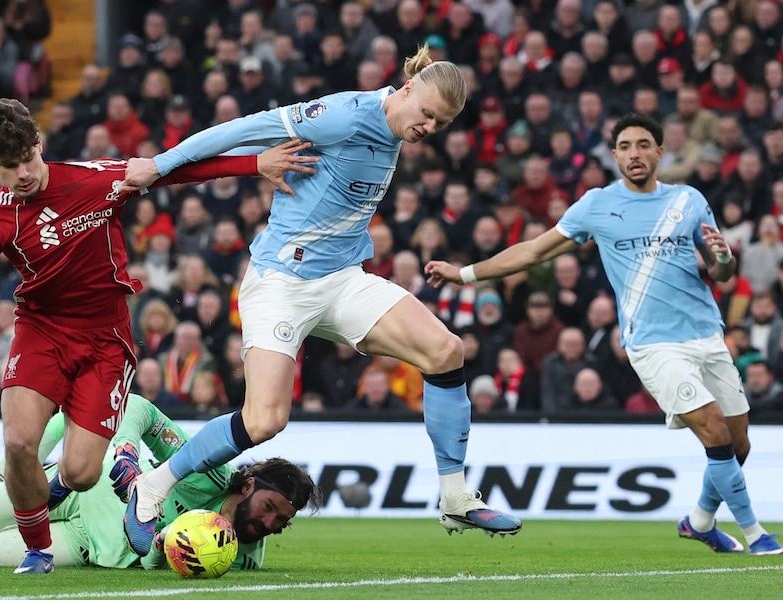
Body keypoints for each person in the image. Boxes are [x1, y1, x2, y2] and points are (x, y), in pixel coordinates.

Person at [118, 44, 522, 558]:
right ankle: (152, 486)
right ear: (407, 90)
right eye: (427, 114)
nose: (428, 128)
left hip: (341, 280)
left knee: (446, 351)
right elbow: (244, 128)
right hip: (281, 281)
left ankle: (455, 497)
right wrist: (160, 165)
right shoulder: (344, 114)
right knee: (264, 420)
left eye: (440, 124)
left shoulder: (397, 127)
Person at [0, 98, 318, 575]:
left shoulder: (98, 178)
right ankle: (38, 550)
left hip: (106, 342)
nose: (23, 174)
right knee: (18, 442)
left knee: (81, 473)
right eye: (9, 167)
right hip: (41, 332)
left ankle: (60, 487)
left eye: (28, 159)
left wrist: (253, 164)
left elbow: (175, 171)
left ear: (40, 143)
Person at [425, 113, 782, 556]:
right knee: (713, 427)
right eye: (626, 146)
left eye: (644, 144)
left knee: (738, 443)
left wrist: (724, 259)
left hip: (707, 334)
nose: (635, 153)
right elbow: (533, 251)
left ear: (660, 151)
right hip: (653, 342)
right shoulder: (596, 204)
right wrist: (464, 274)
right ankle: (756, 534)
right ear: (614, 155)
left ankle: (700, 521)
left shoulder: (688, 200)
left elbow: (721, 271)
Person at [0, 393, 319, 570]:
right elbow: (136, 406)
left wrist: (166, 547)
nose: (268, 523)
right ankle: (58, 430)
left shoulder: (245, 558)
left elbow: (162, 564)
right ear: (248, 485)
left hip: (89, 543)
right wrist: (127, 451)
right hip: (87, 487)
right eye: (269, 507)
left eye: (281, 521)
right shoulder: (207, 471)